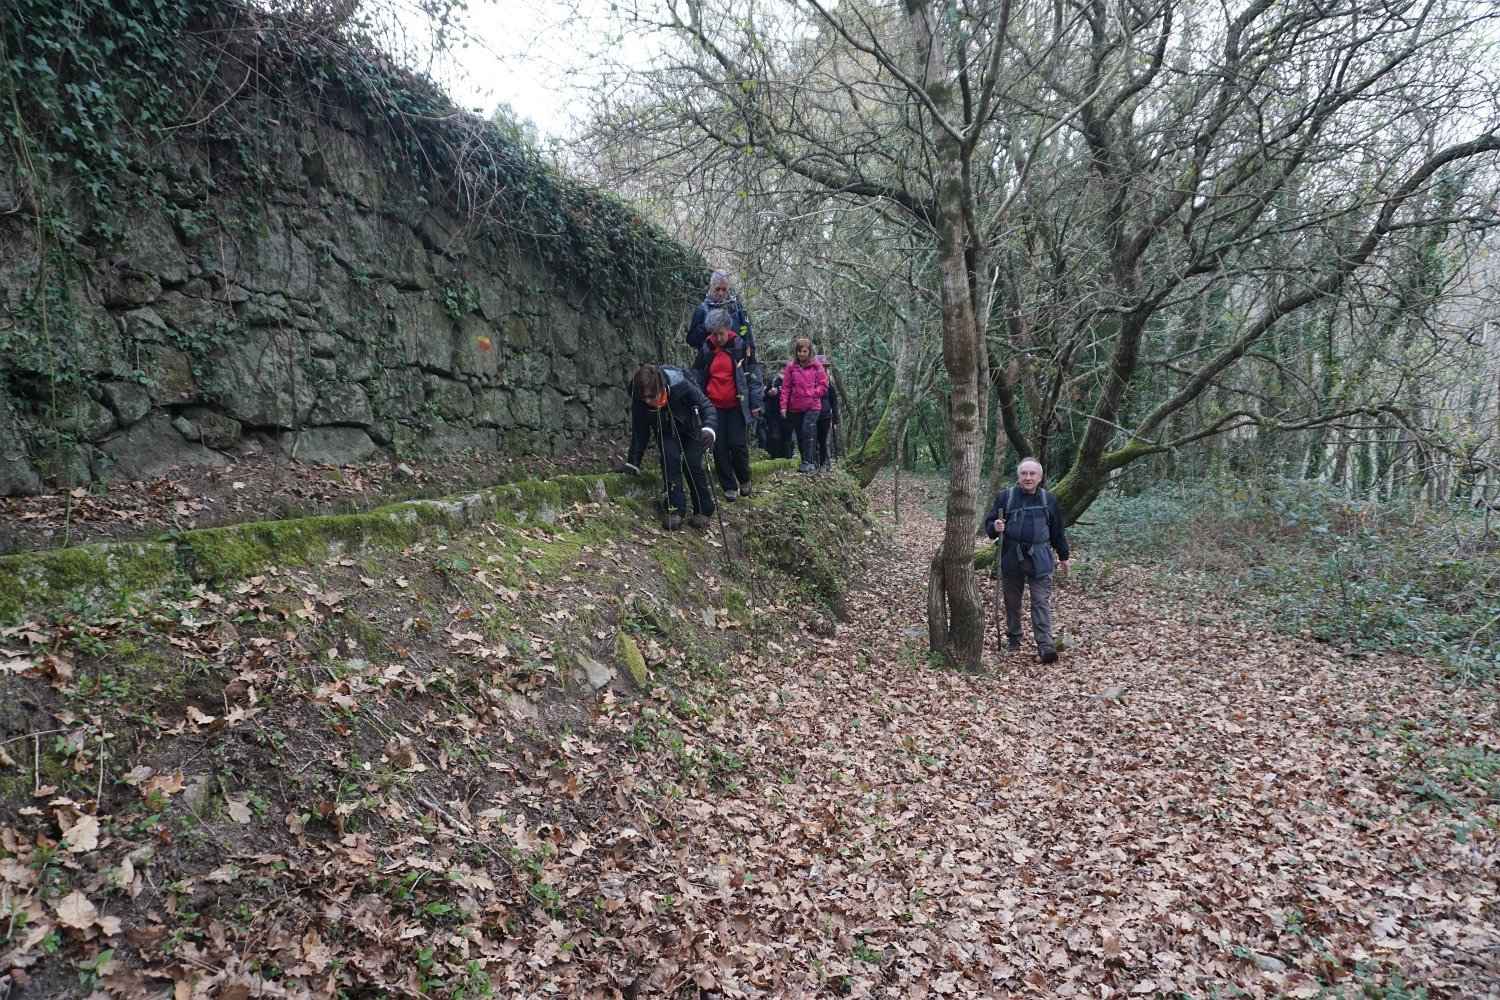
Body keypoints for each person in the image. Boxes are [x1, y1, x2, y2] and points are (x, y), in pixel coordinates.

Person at [983, 457, 1071, 662]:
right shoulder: (1006, 497)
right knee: (1012, 601)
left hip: (1040, 559)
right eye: (1024, 473)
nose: (1028, 477)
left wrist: (1064, 556)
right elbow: (989, 525)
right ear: (1018, 476)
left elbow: (1057, 531)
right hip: (1011, 557)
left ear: (1040, 478)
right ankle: (1014, 638)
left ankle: (1045, 646)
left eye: (1032, 474)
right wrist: (995, 527)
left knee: (1040, 601)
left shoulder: (1048, 500)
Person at [619, 364, 718, 530]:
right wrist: (633, 463)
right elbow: (640, 431)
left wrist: (709, 429)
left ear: (662, 387)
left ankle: (703, 509)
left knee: (691, 463)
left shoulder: (681, 385)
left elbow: (706, 407)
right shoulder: (640, 399)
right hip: (666, 431)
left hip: (693, 429)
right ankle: (675, 510)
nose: (648, 401)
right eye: (644, 397)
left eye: (651, 396)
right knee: (669, 458)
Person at [690, 308, 763, 499]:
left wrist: (755, 401)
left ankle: (744, 479)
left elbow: (754, 374)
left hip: (737, 405)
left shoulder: (740, 346)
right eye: (715, 334)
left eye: (721, 333)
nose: (719, 338)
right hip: (713, 407)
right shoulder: (706, 348)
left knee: (737, 444)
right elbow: (696, 377)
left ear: (728, 329)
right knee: (719, 446)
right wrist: (697, 402)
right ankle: (728, 486)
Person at [686, 270, 756, 363]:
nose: (720, 293)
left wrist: (751, 364)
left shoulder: (738, 309)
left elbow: (748, 338)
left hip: (735, 365)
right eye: (717, 289)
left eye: (724, 289)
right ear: (711, 286)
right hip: (710, 364)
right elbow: (691, 340)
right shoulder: (702, 309)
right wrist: (708, 325)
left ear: (728, 287)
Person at [780, 338, 827, 473]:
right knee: (800, 434)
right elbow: (786, 387)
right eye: (799, 351)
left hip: (812, 405)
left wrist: (814, 392)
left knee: (808, 430)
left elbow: (824, 384)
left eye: (804, 351)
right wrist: (783, 406)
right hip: (795, 406)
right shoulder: (790, 367)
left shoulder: (816, 365)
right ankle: (805, 461)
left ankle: (810, 462)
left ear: (809, 351)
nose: (802, 354)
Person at [814, 355, 840, 473]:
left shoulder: (829, 381)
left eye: (824, 366)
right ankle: (815, 463)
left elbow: (834, 400)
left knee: (825, 442)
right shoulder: (810, 379)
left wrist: (836, 417)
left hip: (826, 415)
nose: (822, 368)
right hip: (813, 414)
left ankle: (825, 464)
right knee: (814, 441)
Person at [760, 371, 794, 459]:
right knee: (775, 437)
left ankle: (788, 460)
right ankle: (775, 459)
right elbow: (764, 398)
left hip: (788, 414)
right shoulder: (774, 382)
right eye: (783, 368)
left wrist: (788, 393)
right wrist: (769, 394)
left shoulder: (794, 381)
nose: (785, 371)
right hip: (774, 415)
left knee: (787, 440)